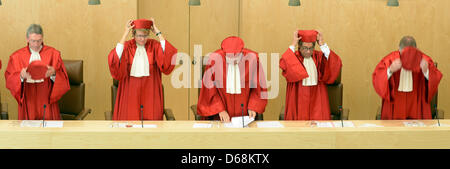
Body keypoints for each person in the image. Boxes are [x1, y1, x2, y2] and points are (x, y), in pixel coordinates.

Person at [108, 18, 177, 120]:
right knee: (129, 122)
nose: (142, 39)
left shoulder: (153, 45)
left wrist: (158, 32)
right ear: (134, 35)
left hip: (150, 89)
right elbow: (115, 57)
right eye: (139, 36)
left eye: (145, 36)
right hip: (130, 90)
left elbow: (168, 53)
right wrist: (125, 34)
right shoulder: (127, 46)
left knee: (152, 123)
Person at [5, 24, 70, 120]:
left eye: (39, 41)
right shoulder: (16, 57)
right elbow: (9, 79)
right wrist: (20, 76)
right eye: (33, 41)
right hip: (28, 98)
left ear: (42, 38)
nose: (36, 44)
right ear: (27, 39)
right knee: (29, 132)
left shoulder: (54, 54)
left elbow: (64, 79)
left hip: (47, 97)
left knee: (49, 132)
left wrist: (54, 73)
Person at [197, 36, 268, 122]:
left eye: (236, 58)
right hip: (220, 116)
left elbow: (258, 88)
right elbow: (209, 91)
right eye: (230, 58)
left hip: (245, 115)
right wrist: (220, 109)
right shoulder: (214, 60)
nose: (233, 61)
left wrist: (253, 106)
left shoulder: (253, 59)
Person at [372, 36, 442, 120]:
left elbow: (436, 78)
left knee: (417, 131)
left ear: (416, 50)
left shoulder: (424, 60)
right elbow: (377, 78)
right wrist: (390, 70)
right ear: (399, 49)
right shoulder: (389, 60)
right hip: (395, 104)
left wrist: (426, 71)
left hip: (417, 103)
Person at [280, 30, 342, 120]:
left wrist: (322, 44)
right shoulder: (295, 57)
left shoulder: (318, 57)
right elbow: (283, 63)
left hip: (317, 95)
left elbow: (335, 63)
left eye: (311, 48)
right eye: (305, 48)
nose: (308, 51)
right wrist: (293, 44)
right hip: (298, 95)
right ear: (299, 46)